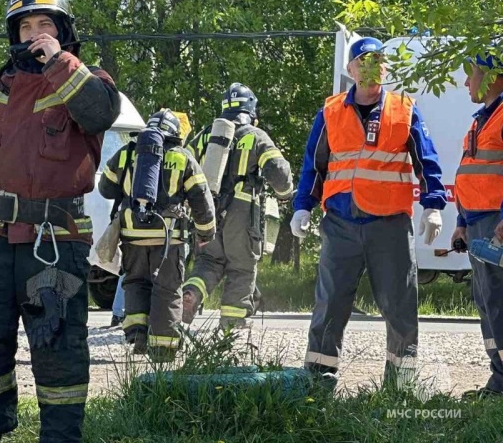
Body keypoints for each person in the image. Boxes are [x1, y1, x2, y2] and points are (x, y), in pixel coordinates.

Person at [0, 0, 120, 443]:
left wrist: (58, 61)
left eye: (44, 25)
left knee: (58, 345)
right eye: (25, 26)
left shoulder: (88, 79)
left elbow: (99, 114)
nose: (34, 34)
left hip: (53, 243)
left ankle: (60, 437)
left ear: (63, 32)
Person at [290, 37, 446, 388]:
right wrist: (302, 207)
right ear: (350, 70)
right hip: (340, 224)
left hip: (389, 224)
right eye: (362, 60)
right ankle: (318, 381)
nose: (369, 66)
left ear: (385, 68)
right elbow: (313, 167)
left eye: (376, 60)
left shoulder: (404, 108)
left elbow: (428, 161)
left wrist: (433, 204)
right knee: (329, 305)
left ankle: (400, 386)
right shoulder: (330, 111)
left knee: (399, 307)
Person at [99, 109, 216, 360]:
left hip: (132, 236)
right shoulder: (182, 157)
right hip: (168, 239)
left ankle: (137, 335)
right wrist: (206, 232)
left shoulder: (127, 153)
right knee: (167, 288)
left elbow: (105, 188)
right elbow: (201, 199)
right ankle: (163, 348)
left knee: (135, 282)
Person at [182, 83, 294, 329]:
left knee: (208, 263)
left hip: (206, 214)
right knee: (242, 268)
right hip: (241, 217)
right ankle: (232, 326)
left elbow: (183, 165)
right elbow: (279, 172)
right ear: (251, 110)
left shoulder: (205, 135)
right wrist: (286, 194)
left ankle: (190, 293)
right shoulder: (255, 135)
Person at [451, 51, 503, 399]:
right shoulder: (482, 119)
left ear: (490, 76)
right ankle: (499, 381)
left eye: (471, 74)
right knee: (488, 304)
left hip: (496, 226)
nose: (466, 82)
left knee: (498, 303)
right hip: (479, 226)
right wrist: (461, 223)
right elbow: (470, 174)